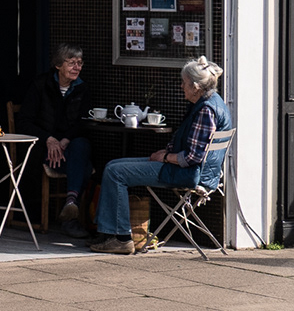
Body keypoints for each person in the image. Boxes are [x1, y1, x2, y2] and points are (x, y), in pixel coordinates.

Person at [89, 57, 230, 255]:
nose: (181, 87)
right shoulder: (213, 103)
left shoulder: (206, 110)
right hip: (189, 170)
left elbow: (192, 157)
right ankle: (108, 233)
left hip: (187, 173)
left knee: (116, 172)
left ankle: (120, 238)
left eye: (184, 83)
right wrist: (166, 154)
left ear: (196, 87)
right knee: (113, 165)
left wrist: (164, 158)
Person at [16, 44, 94, 238]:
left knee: (81, 144)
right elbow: (24, 122)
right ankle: (71, 217)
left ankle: (70, 202)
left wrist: (65, 139)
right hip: (42, 149)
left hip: (68, 149)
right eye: (71, 63)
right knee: (84, 166)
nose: (77, 67)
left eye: (79, 63)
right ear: (58, 65)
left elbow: (84, 123)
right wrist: (49, 139)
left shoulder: (82, 88)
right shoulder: (41, 85)